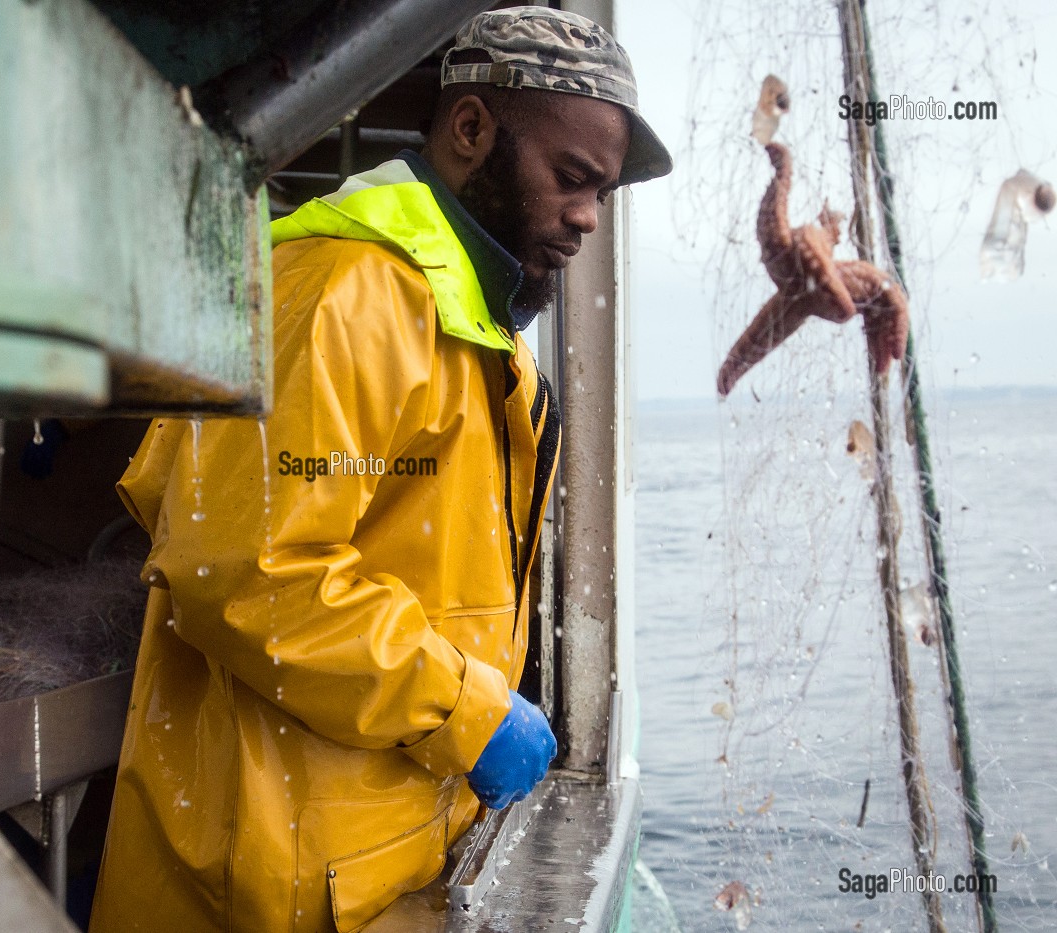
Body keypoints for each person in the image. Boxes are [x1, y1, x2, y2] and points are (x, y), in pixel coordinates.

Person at [88, 8, 670, 932]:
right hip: (266, 889)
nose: (588, 218)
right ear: (473, 129)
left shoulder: (482, 336)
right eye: (572, 178)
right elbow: (248, 569)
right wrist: (472, 710)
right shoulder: (342, 292)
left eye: (602, 195)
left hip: (373, 863)